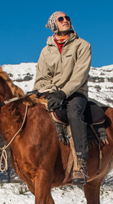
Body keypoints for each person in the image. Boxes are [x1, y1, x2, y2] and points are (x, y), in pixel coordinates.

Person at [33, 11, 92, 185]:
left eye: (67, 18)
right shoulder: (46, 51)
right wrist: (39, 92)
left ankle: (80, 163)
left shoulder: (83, 45)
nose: (65, 20)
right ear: (53, 25)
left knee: (74, 113)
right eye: (61, 19)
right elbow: (41, 78)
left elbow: (79, 75)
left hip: (75, 93)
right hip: (52, 92)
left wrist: (63, 93)